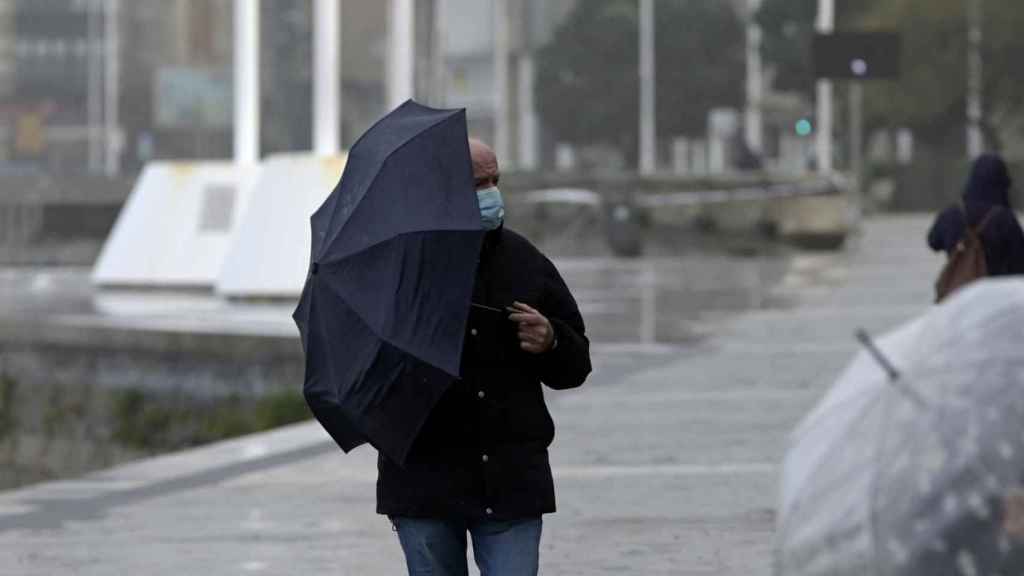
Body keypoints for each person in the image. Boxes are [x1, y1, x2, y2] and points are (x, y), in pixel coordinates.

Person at [378, 138, 592, 575]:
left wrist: (551, 340)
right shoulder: (402, 265)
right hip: (424, 482)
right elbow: (374, 371)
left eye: (495, 180)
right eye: (479, 183)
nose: (492, 193)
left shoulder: (524, 260)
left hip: (511, 481)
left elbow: (576, 365)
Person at [928, 153, 1024, 277]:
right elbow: (1020, 261)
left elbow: (933, 242)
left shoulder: (951, 214)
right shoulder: (1005, 219)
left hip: (961, 292)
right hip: (997, 292)